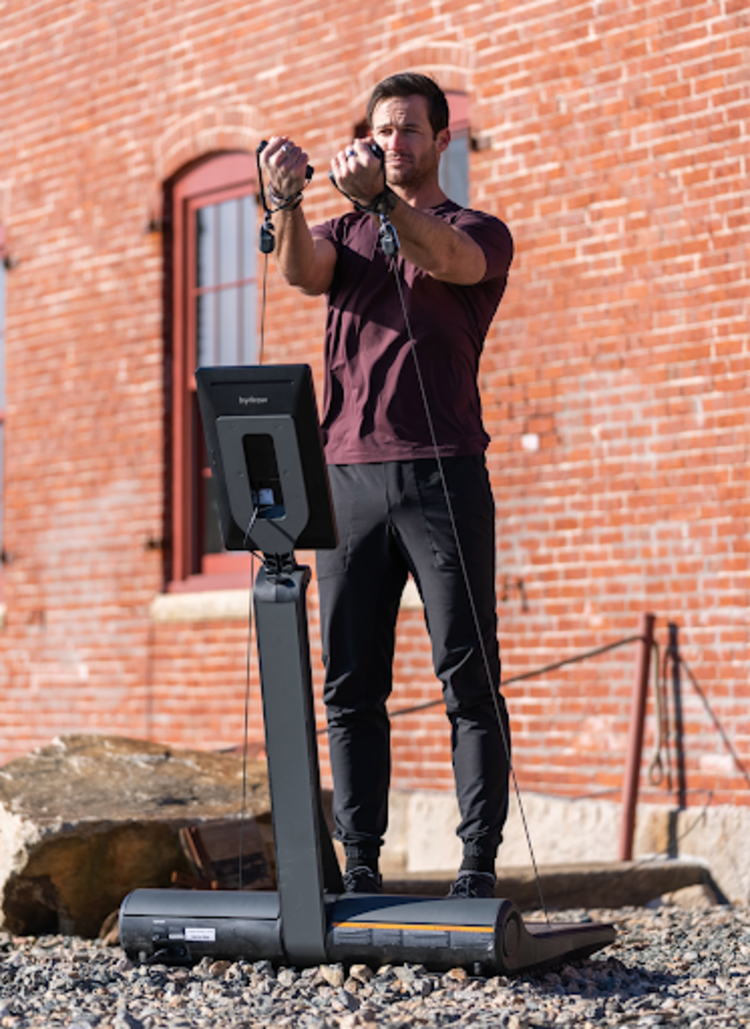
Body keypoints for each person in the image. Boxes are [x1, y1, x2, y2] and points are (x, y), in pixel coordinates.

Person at [259, 72, 513, 898]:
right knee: (350, 687)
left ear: (442, 140)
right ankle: (359, 864)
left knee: (467, 679)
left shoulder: (476, 229)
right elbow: (301, 271)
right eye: (380, 131)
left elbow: (449, 261)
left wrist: (386, 207)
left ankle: (476, 865)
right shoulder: (346, 232)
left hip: (443, 476)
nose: (393, 143)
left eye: (409, 130)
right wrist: (288, 199)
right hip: (349, 479)